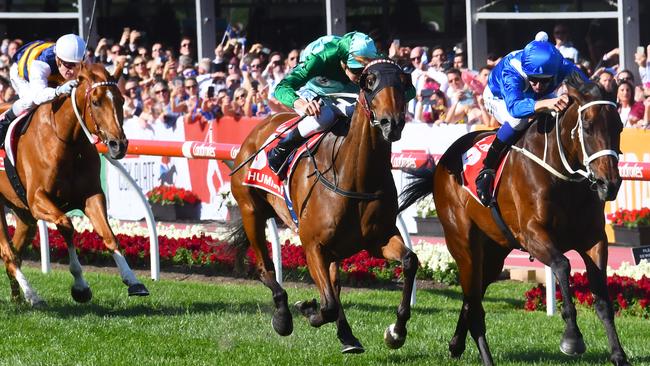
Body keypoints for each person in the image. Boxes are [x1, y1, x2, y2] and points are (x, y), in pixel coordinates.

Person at [268, 31, 409, 175]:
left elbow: (410, 90)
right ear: (344, 62)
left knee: (367, 114)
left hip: (345, 92)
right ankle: (281, 149)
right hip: (314, 88)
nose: (362, 75)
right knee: (324, 117)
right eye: (357, 70)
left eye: (366, 71)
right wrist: (302, 104)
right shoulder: (320, 57)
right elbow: (281, 88)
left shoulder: (378, 61)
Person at [475, 31, 587, 206]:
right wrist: (546, 103)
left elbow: (588, 89)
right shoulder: (512, 69)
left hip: (532, 97)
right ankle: (488, 168)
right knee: (518, 121)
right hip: (499, 97)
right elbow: (515, 108)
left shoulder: (563, 66)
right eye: (533, 79)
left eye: (544, 81)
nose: (538, 85)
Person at [0, 33, 85, 148]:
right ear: (58, 59)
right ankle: (5, 122)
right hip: (22, 74)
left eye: (77, 65)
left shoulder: (79, 57)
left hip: (51, 73)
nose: (73, 71)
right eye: (69, 65)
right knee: (31, 101)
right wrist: (58, 91)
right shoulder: (41, 64)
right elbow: (38, 96)